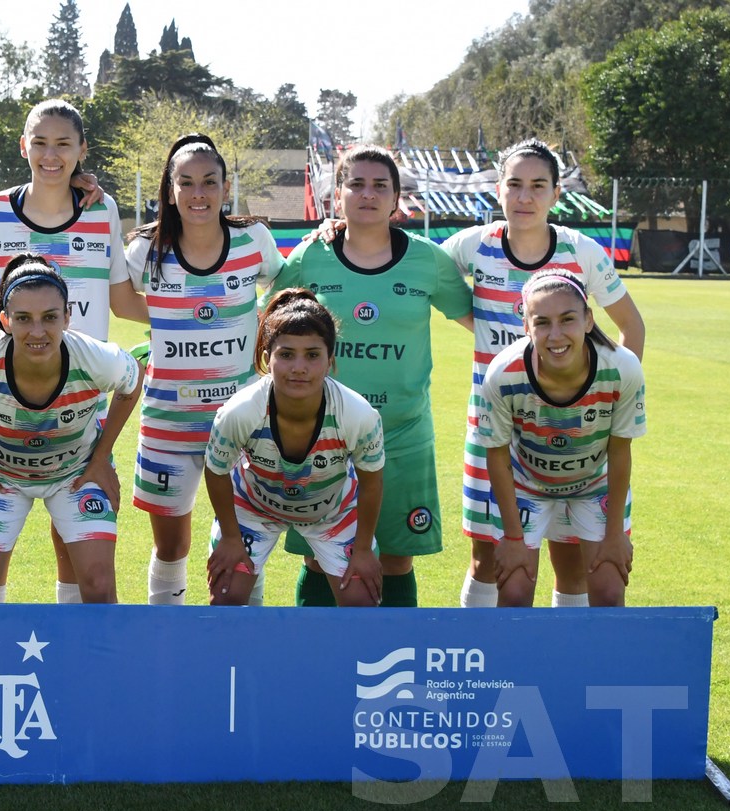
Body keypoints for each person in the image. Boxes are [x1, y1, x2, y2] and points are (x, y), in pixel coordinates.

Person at [0, 98, 147, 604]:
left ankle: (74, 663)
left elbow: (122, 300)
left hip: (80, 403)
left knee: (73, 546)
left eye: (63, 144)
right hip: (3, 403)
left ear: (82, 150)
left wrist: (197, 314)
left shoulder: (101, 208)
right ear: (23, 146)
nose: (50, 155)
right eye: (40, 142)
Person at [444, 138, 646, 609]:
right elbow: (416, 265)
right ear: (498, 191)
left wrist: (606, 400)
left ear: (556, 194)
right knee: (489, 556)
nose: (524, 197)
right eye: (514, 185)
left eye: (538, 186)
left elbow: (631, 327)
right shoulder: (474, 245)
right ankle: (485, 668)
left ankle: (562, 672)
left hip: (576, 431)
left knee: (571, 557)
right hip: (496, 427)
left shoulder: (581, 250)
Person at [271, 145, 474, 608]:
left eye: (380, 185)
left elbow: (481, 324)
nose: (368, 194)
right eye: (356, 184)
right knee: (321, 558)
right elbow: (270, 324)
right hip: (324, 434)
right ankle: (320, 661)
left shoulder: (428, 260)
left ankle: (394, 660)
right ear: (337, 196)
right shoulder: (311, 257)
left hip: (403, 432)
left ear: (397, 197)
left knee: (398, 557)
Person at [124, 134, 284, 605]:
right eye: (187, 182)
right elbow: (115, 298)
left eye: (209, 182)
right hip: (167, 425)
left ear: (225, 186)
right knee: (171, 546)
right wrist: (166, 318)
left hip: (241, 425)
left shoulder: (253, 239)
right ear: (170, 189)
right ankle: (167, 635)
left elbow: (284, 289)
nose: (199, 193)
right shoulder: (144, 250)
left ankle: (240, 642)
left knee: (243, 545)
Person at [0, 254, 143, 604]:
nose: (37, 331)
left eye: (50, 317)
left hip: (73, 474)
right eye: (23, 318)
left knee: (99, 587)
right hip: (0, 476)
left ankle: (82, 655)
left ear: (67, 317)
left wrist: (101, 457)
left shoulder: (95, 358)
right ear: (5, 320)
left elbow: (132, 382)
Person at [472, 268, 645, 606]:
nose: (555, 335)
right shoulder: (503, 374)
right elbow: (497, 456)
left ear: (589, 320)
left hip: (595, 485)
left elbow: (620, 451)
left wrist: (614, 535)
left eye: (568, 319)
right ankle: (516, 660)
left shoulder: (622, 368)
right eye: (542, 322)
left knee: (610, 592)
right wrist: (512, 536)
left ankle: (589, 660)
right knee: (515, 590)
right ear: (526, 327)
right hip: (527, 484)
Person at [205, 289, 384, 606]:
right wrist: (231, 538)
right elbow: (216, 472)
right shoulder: (239, 412)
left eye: (312, 355)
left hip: (333, 511)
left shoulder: (358, 414)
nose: (299, 367)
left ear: (330, 359)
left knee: (361, 605)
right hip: (253, 506)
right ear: (266, 358)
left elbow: (371, 483)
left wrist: (364, 548)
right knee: (227, 599)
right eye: (286, 354)